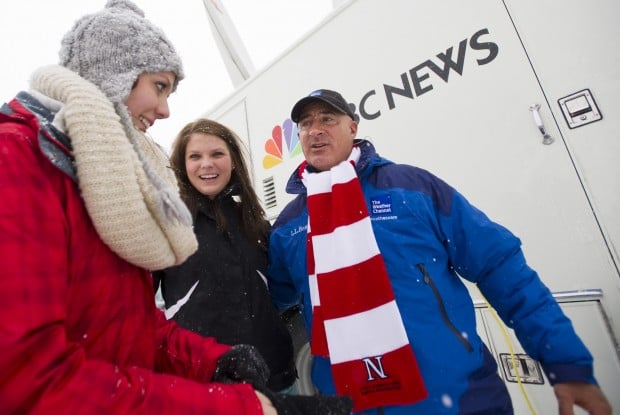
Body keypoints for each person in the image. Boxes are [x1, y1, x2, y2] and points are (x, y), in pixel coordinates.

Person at [0, 1, 353, 413]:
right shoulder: (18, 160)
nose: (166, 110)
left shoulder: (102, 186)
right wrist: (244, 408)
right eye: (160, 86)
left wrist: (212, 359)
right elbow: (25, 378)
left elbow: (126, 323)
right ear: (116, 76)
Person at [266, 89, 613, 415]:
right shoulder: (289, 224)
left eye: (327, 119)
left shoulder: (411, 187)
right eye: (305, 124)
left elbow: (500, 267)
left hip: (458, 399)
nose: (315, 131)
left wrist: (566, 362)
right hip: (354, 404)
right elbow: (269, 301)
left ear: (353, 127)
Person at [153, 118, 297, 394]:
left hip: (275, 375)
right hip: (206, 384)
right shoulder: (168, 221)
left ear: (233, 161)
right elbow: (138, 305)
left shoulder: (252, 218)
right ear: (183, 166)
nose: (207, 164)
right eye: (195, 156)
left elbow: (281, 289)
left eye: (217, 154)